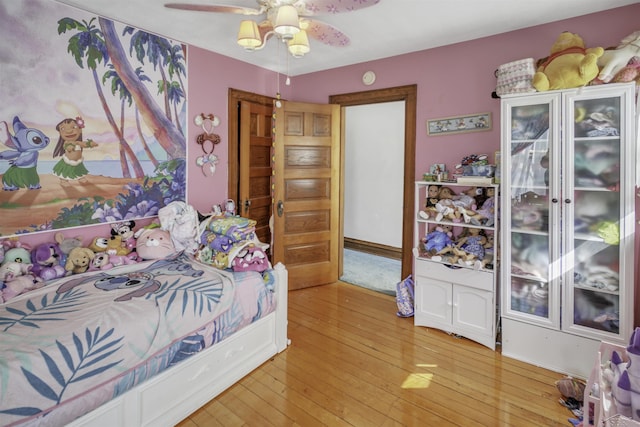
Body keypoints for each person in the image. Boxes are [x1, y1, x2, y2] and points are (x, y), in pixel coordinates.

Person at [52, 117, 98, 184]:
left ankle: (80, 177)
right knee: (65, 170)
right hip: (68, 161)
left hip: (77, 161)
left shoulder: (78, 142)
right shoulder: (67, 142)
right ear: (60, 133)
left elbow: (84, 144)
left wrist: (90, 144)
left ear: (80, 130)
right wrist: (70, 147)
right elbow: (67, 147)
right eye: (63, 128)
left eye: (74, 127)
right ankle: (64, 179)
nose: (69, 131)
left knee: (78, 170)